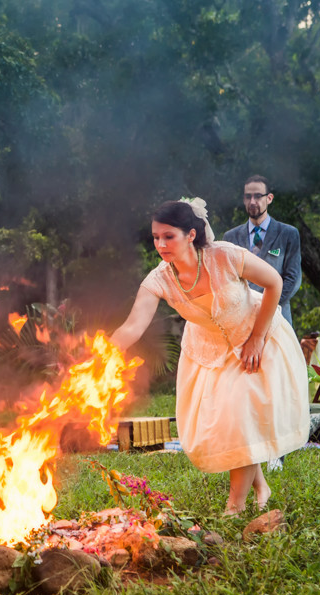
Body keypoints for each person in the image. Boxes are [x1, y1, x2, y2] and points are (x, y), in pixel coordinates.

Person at [111, 199, 309, 515]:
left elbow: (274, 282)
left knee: (240, 415)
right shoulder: (159, 279)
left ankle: (235, 506)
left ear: (191, 234)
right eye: (155, 237)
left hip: (255, 335)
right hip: (208, 350)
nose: (160, 244)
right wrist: (101, 354)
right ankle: (261, 485)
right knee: (232, 422)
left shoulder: (226, 256)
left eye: (168, 236)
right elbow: (133, 325)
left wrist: (257, 339)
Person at [222, 175, 302, 328]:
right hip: (240, 321)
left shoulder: (288, 234)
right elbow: (227, 280)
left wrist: (265, 308)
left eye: (258, 196)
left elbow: (293, 280)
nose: (252, 202)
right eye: (248, 197)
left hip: (278, 319)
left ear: (269, 198)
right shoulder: (230, 237)